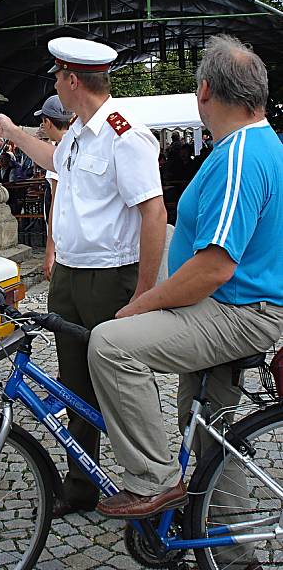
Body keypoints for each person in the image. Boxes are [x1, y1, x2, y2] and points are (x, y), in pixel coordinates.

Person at [87, 34, 283, 570]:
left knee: (110, 344)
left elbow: (215, 266)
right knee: (212, 431)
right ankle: (233, 549)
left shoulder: (240, 155)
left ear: (203, 92)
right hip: (243, 307)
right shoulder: (262, 144)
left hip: (235, 310)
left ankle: (153, 480)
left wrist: (143, 304)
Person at [0, 36, 167, 517]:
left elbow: (153, 213)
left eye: (56, 76)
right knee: (73, 381)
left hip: (110, 278)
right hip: (69, 274)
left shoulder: (123, 133)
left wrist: (146, 293)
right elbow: (54, 161)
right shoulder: (79, 134)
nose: (53, 83)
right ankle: (82, 480)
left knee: (120, 380)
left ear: (72, 81)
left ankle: (151, 481)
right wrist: (12, 132)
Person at [33, 95, 73, 281]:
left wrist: (50, 250)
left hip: (65, 240)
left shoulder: (60, 153)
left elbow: (56, 205)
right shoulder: (75, 144)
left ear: (47, 122)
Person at [0, 150, 26, 215]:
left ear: (8, 160)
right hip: (0, 194)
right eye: (0, 159)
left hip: (11, 195)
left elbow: (12, 182)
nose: (1, 161)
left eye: (3, 159)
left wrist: (1, 185)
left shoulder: (13, 170)